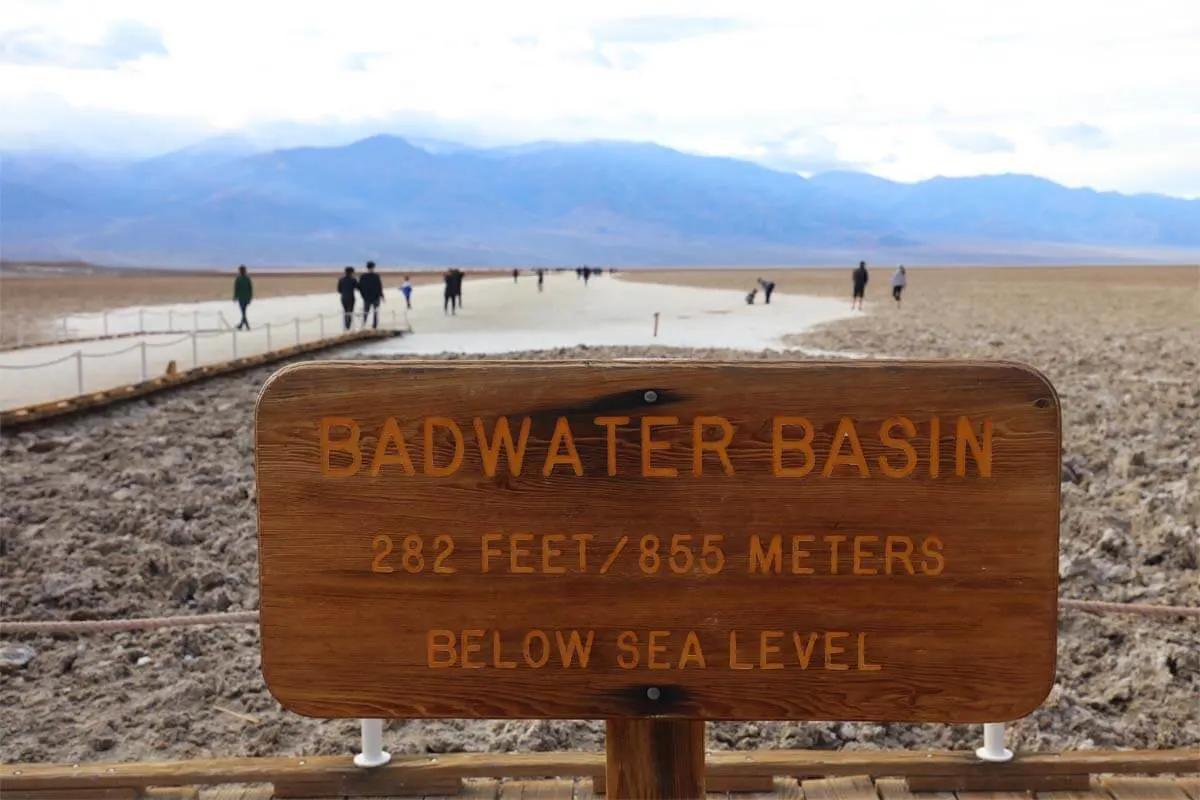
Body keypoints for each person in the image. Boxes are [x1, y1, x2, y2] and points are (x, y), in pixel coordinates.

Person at [358, 261, 384, 329]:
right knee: (375, 312)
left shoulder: (363, 276)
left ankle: (363, 325)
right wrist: (382, 295)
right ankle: (374, 326)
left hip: (367, 298)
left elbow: (360, 287)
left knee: (366, 312)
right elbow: (379, 287)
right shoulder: (376, 276)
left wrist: (363, 296)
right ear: (373, 267)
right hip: (375, 297)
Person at [337, 266, 358, 331]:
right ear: (352, 272)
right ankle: (348, 326)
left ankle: (346, 325)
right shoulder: (353, 279)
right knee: (350, 312)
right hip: (351, 298)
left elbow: (339, 290)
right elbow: (357, 287)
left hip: (343, 298)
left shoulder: (341, 279)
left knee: (346, 311)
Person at [232, 265, 253, 330]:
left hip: (241, 297)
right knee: (243, 311)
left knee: (243, 312)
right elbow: (250, 289)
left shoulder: (239, 278)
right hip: (246, 297)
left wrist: (235, 297)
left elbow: (236, 288)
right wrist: (250, 297)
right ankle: (241, 325)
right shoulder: (247, 278)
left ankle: (246, 325)